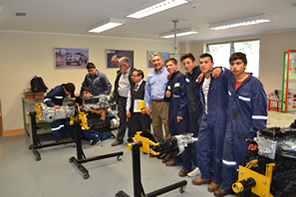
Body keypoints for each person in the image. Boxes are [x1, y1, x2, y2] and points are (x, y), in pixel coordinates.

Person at [214, 52, 267, 196]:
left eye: (238, 64)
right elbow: (220, 70)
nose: (235, 67)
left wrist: (255, 132)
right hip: (231, 128)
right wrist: (219, 67)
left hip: (246, 130)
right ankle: (227, 186)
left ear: (245, 65)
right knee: (228, 159)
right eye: (232, 64)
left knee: (244, 162)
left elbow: (260, 110)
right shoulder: (231, 80)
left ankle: (243, 191)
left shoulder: (254, 84)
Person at [191, 54, 229, 193]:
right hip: (206, 117)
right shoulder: (202, 80)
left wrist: (222, 68)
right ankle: (206, 175)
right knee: (201, 146)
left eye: (206, 62)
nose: (203, 65)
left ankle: (217, 179)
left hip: (219, 117)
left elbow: (232, 74)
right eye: (201, 62)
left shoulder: (220, 76)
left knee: (218, 149)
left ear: (212, 63)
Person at [181, 53, 222, 177]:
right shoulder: (188, 75)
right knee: (197, 140)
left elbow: (217, 71)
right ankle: (199, 165)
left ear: (194, 63)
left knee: (207, 143)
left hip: (204, 113)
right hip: (192, 112)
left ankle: (208, 168)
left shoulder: (203, 72)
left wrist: (219, 68)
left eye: (188, 63)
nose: (186, 66)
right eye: (184, 64)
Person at [164, 58, 192, 177]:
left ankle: (187, 166)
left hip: (181, 114)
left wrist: (180, 113)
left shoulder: (181, 77)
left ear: (176, 65)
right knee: (174, 137)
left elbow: (185, 98)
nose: (168, 67)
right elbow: (168, 96)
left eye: (170, 65)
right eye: (167, 66)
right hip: (172, 112)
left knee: (182, 140)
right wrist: (167, 95)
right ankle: (177, 159)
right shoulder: (170, 78)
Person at [144, 52, 170, 139]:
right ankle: (159, 146)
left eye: (158, 60)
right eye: (154, 61)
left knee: (168, 126)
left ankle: (169, 148)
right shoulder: (150, 75)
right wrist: (147, 105)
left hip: (165, 103)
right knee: (156, 126)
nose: (156, 62)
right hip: (154, 103)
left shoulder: (168, 73)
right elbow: (147, 91)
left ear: (162, 61)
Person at [111, 57, 136, 146]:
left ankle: (131, 139)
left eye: (120, 65)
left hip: (130, 101)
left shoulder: (133, 73)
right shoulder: (119, 74)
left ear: (125, 66)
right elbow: (116, 86)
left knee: (131, 120)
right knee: (122, 120)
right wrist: (115, 97)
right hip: (121, 99)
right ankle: (119, 139)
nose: (119, 67)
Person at [126, 69, 151, 142]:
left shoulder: (146, 85)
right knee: (134, 128)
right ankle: (135, 143)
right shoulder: (132, 86)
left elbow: (149, 98)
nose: (132, 77)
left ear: (140, 76)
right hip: (134, 111)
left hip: (143, 111)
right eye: (132, 76)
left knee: (144, 128)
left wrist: (146, 108)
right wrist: (127, 109)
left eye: (134, 76)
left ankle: (146, 144)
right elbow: (129, 98)